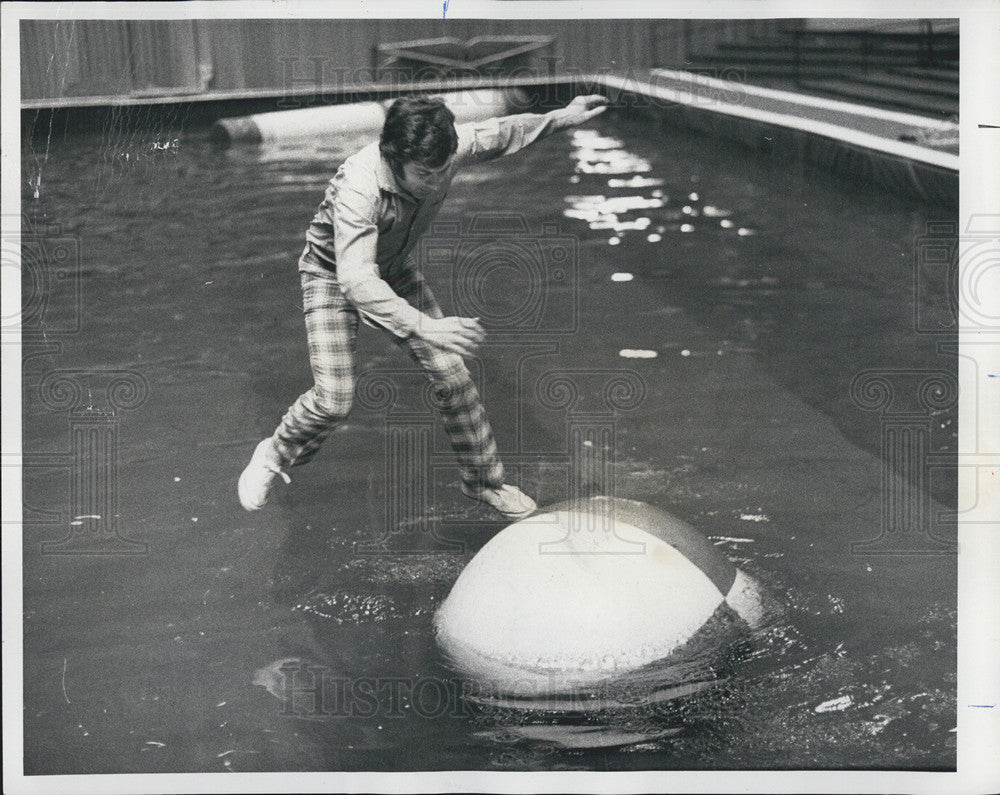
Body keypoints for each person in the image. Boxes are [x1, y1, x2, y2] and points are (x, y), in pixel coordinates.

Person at [238, 92, 610, 518]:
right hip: (331, 276)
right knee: (335, 400)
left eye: (441, 170)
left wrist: (565, 115)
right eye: (423, 174)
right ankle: (274, 452)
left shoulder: (447, 151)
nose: (435, 182)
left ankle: (485, 483)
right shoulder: (359, 186)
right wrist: (425, 325)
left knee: (453, 376)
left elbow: (507, 132)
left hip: (393, 268)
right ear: (393, 157)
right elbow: (357, 280)